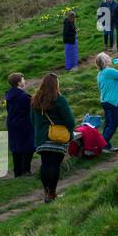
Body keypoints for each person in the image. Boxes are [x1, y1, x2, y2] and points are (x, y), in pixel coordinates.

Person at [31, 72, 74, 203]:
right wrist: (69, 131)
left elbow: (32, 120)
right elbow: (70, 121)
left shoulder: (35, 100)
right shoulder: (59, 99)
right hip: (57, 138)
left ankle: (46, 193)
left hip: (42, 138)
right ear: (56, 85)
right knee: (54, 166)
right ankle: (52, 194)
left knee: (45, 165)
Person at [95, 52, 118, 152]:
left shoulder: (99, 73)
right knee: (114, 123)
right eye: (107, 57)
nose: (109, 58)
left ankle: (107, 146)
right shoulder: (109, 71)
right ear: (105, 61)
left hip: (104, 101)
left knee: (108, 124)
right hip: (113, 102)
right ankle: (102, 144)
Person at [4, 72, 35, 177]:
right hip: (24, 124)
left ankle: (17, 173)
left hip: (12, 123)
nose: (24, 81)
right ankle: (26, 171)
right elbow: (32, 108)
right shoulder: (23, 96)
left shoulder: (8, 95)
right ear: (18, 83)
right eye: (23, 80)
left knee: (16, 148)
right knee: (28, 147)